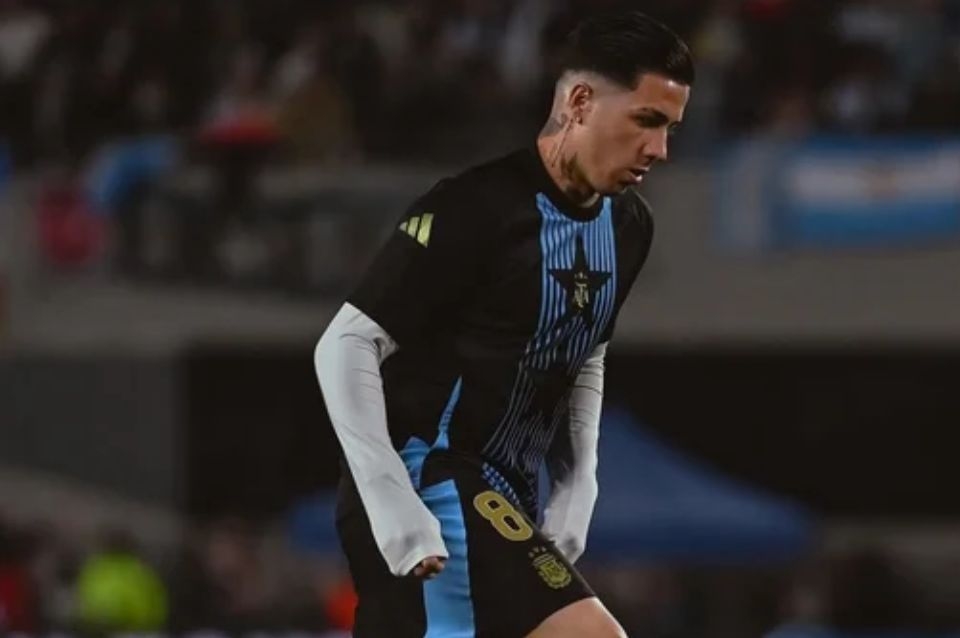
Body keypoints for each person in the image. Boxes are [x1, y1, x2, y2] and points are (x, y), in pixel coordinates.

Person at [314, 9, 693, 638]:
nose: (659, 149)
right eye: (646, 121)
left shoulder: (630, 227)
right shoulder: (473, 208)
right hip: (433, 480)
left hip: (508, 496)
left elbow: (586, 352)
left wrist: (578, 482)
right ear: (579, 102)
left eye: (670, 128)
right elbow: (345, 343)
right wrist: (390, 500)